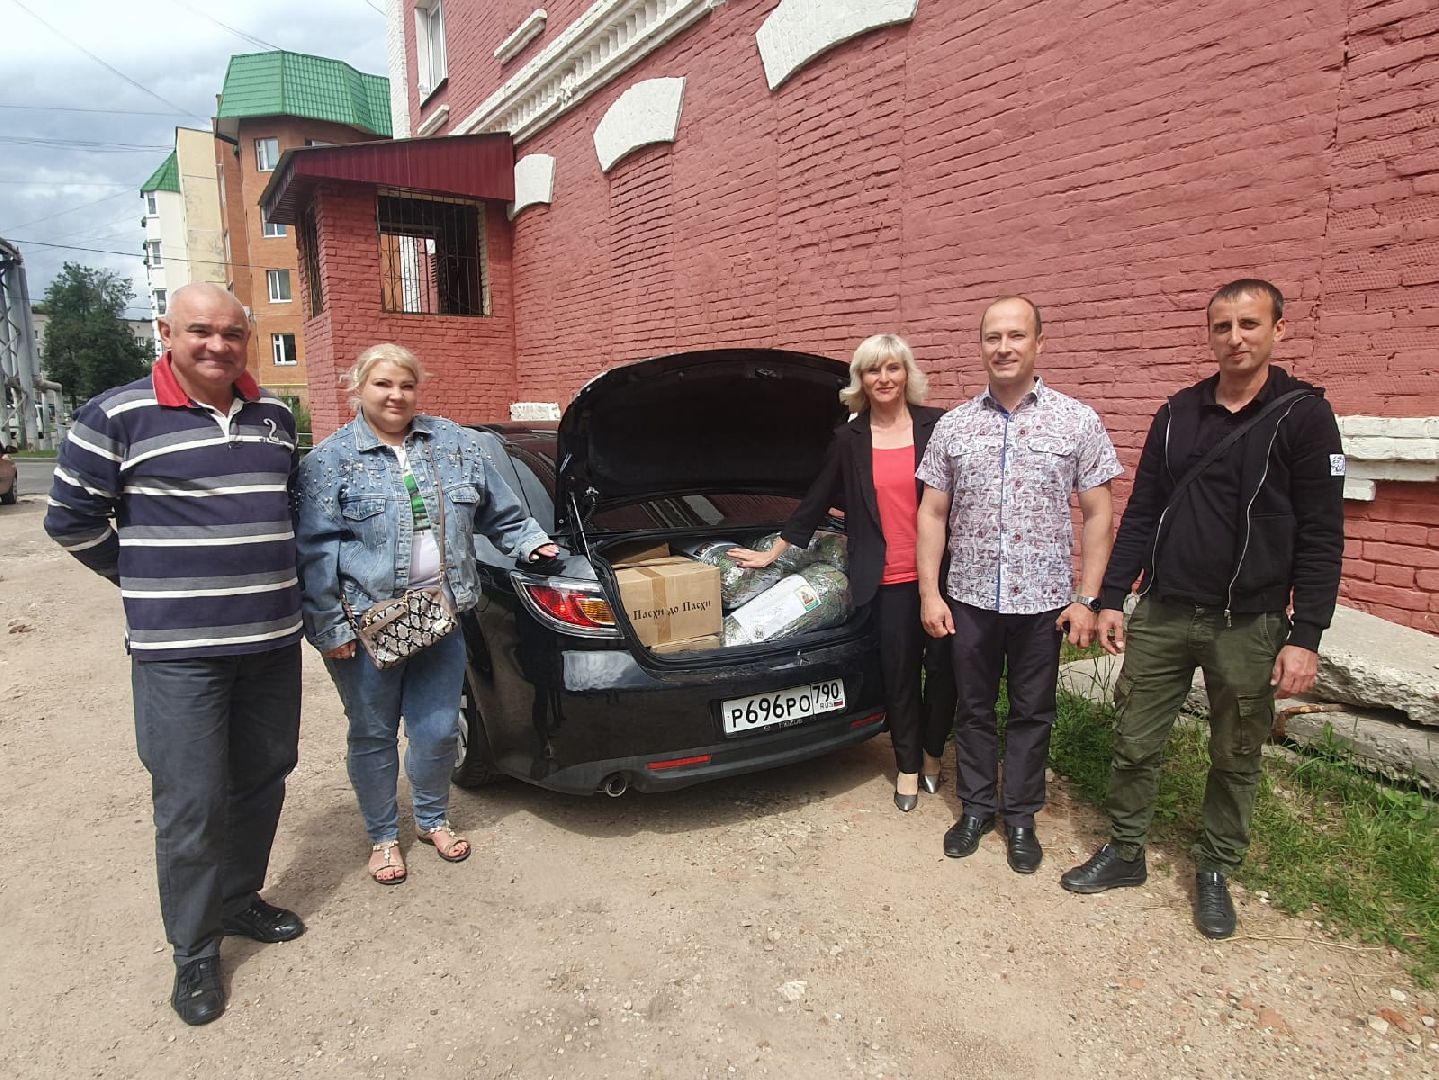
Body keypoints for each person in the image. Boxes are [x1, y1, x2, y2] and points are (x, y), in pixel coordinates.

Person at [44, 282, 306, 1027]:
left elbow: (283, 508)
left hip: (269, 645)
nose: (218, 345)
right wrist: (145, 578)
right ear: (167, 332)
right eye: (200, 331)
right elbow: (71, 520)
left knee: (261, 778)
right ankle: (195, 954)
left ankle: (238, 901)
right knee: (189, 804)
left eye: (231, 333)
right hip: (178, 654)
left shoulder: (274, 417)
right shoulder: (116, 414)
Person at [1061, 279, 1345, 938]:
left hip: (1247, 624)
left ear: (1278, 330)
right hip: (1161, 613)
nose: (1235, 338)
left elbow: (1322, 533)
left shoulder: (1303, 416)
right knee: (1133, 740)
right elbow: (1142, 512)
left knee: (1236, 752)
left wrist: (1305, 635)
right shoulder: (1177, 412)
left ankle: (1214, 868)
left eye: (1249, 324)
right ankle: (1125, 851)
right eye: (1222, 326)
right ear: (1208, 334)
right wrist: (1110, 598)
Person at [293, 343, 557, 887]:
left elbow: (500, 511)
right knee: (372, 733)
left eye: (406, 385)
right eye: (382, 385)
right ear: (358, 390)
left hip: (440, 614)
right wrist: (328, 628)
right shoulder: (328, 461)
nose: (396, 395)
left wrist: (531, 542)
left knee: (437, 732)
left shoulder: (456, 445)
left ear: (419, 389)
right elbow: (313, 550)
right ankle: (384, 835)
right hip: (368, 624)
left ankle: (432, 819)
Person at [917, 297, 1121, 873]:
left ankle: (1023, 815)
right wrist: (930, 593)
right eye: (992, 338)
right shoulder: (953, 426)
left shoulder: (1076, 420)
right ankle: (977, 807)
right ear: (980, 345)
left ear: (1039, 343)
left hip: (1044, 601)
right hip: (970, 596)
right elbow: (932, 513)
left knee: (1034, 710)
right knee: (974, 708)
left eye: (1015, 336)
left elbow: (1099, 512)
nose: (1003, 348)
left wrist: (1087, 598)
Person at [728, 334, 956, 812]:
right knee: (898, 674)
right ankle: (909, 766)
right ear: (861, 380)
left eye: (893, 368)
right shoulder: (848, 440)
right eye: (873, 370)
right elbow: (815, 500)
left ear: (907, 374)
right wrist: (774, 552)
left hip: (942, 575)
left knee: (943, 672)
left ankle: (934, 753)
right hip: (886, 578)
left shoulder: (938, 427)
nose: (884, 379)